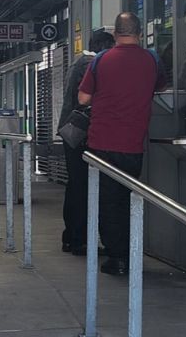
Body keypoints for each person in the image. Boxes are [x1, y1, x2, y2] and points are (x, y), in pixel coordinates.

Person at [78, 13, 165, 275]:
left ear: (116, 33)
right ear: (139, 33)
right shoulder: (152, 59)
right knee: (128, 198)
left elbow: (83, 99)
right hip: (134, 143)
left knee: (107, 201)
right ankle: (131, 252)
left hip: (102, 142)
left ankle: (117, 257)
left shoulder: (102, 59)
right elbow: (160, 89)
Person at [58, 30, 115, 256]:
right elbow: (88, 99)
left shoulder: (78, 62)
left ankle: (72, 237)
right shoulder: (90, 64)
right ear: (103, 46)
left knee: (75, 185)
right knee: (82, 186)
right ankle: (79, 239)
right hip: (82, 134)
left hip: (72, 132)